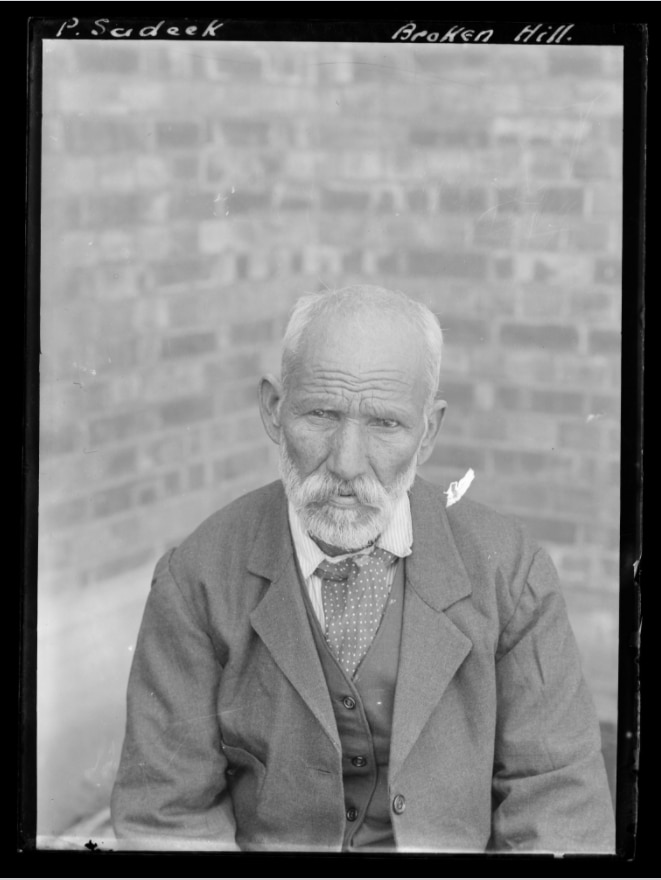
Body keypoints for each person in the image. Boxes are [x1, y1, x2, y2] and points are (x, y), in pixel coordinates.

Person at [111, 285, 615, 853]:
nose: (347, 463)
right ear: (274, 409)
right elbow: (167, 820)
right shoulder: (198, 579)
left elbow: (557, 803)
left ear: (427, 433)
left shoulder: (510, 573)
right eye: (321, 414)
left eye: (384, 424)